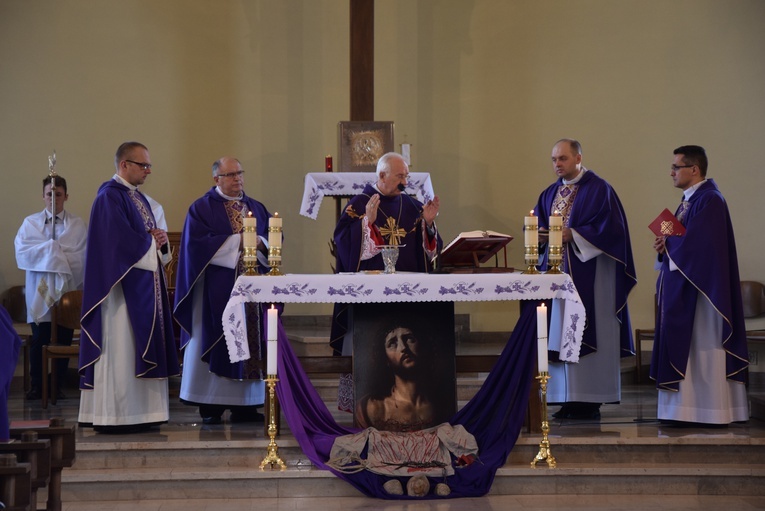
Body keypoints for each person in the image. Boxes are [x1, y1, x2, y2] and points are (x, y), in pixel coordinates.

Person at [78, 141, 180, 433]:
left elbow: (151, 241)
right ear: (124, 165)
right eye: (143, 165)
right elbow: (116, 242)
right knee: (122, 349)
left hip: (144, 289)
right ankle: (117, 415)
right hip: (120, 294)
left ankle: (145, 413)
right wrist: (150, 241)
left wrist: (159, 242)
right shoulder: (109, 197)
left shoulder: (140, 199)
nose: (148, 171)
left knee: (137, 347)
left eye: (149, 165)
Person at [533, 139, 637, 420]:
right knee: (558, 332)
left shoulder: (599, 189)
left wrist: (574, 234)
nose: (557, 164)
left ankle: (590, 399)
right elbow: (539, 227)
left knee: (587, 331)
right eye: (554, 159)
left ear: (578, 158)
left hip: (592, 279)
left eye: (563, 159)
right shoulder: (549, 194)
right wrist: (541, 236)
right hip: (558, 278)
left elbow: (612, 230)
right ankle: (565, 397)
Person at [650, 145, 748, 426]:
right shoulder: (688, 201)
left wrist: (669, 244)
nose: (671, 172)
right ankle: (683, 409)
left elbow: (703, 247)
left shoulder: (710, 200)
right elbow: (678, 242)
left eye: (676, 167)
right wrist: (662, 245)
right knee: (688, 348)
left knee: (702, 350)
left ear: (694, 170)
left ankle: (708, 410)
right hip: (684, 287)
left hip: (702, 294)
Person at [174, 156, 273, 424]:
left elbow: (272, 239)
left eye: (240, 173)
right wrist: (238, 241)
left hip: (252, 292)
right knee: (217, 338)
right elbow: (196, 246)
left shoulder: (256, 207)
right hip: (215, 290)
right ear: (216, 179)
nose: (237, 179)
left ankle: (246, 405)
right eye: (230, 175)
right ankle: (210, 405)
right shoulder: (202, 208)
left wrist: (261, 243)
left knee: (251, 342)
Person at [331, 152, 442, 355]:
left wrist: (428, 223)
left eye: (407, 176)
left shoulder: (414, 206)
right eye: (400, 176)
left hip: (409, 295)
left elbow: (431, 251)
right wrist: (366, 223)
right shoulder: (358, 205)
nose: (405, 182)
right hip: (370, 299)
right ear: (382, 175)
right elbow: (344, 242)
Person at [14, 175, 87, 400]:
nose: (53, 199)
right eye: (49, 194)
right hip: (41, 289)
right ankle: (37, 385)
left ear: (66, 196)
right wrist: (54, 251)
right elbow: (23, 252)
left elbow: (81, 256)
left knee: (63, 338)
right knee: (40, 339)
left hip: (66, 289)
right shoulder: (31, 223)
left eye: (58, 194)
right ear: (42, 196)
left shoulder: (77, 224)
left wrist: (50, 252)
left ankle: (56, 384)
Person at [355, 321, 448, 432]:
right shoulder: (372, 407)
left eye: (409, 338)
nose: (403, 347)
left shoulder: (441, 403)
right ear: (385, 358)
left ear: (423, 345)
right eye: (392, 343)